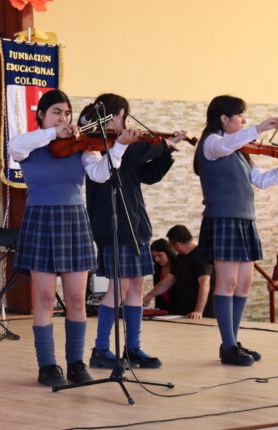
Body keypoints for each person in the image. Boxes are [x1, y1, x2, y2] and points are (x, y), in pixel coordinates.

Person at [7, 89, 132, 387]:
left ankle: (76, 363)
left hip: (74, 219)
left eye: (66, 114)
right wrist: (53, 132)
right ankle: (47, 365)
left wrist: (119, 147)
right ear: (41, 114)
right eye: (56, 112)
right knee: (45, 298)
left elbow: (100, 174)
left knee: (76, 298)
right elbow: (14, 146)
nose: (63, 118)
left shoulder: (80, 146)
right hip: (41, 219)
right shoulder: (29, 144)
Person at [193, 95, 278, 365]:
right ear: (224, 118)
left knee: (244, 284)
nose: (244, 120)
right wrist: (260, 127)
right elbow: (225, 145)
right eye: (240, 116)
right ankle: (228, 346)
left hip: (245, 220)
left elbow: (262, 180)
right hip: (224, 218)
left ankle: (233, 341)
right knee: (226, 283)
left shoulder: (240, 152)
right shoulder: (212, 143)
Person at [82, 93, 185, 370]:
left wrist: (167, 151)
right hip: (114, 227)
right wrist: (163, 144)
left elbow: (149, 175)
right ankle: (100, 349)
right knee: (118, 288)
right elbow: (136, 153)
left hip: (135, 224)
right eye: (122, 116)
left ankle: (133, 348)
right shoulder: (101, 147)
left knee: (136, 287)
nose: (125, 123)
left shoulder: (123, 148)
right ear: (111, 117)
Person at [144, 225, 213, 319]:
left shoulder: (201, 255)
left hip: (203, 314)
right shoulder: (180, 257)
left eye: (172, 246)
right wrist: (150, 295)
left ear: (177, 245)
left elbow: (205, 283)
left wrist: (198, 310)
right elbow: (168, 282)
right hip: (185, 312)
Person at [150, 238, 176, 311]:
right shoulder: (156, 268)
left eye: (160, 255)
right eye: (154, 256)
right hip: (162, 308)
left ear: (168, 252)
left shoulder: (177, 265)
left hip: (179, 308)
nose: (157, 259)